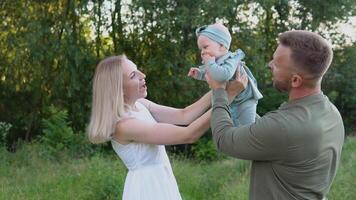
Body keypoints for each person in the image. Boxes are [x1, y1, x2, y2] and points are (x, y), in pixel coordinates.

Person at [206, 30, 344, 200]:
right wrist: (241, 98)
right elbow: (268, 133)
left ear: (295, 80)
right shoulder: (330, 112)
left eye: (277, 64)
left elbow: (223, 140)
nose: (270, 64)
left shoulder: (284, 126)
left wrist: (219, 91)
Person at [87, 55, 246, 200]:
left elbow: (185, 115)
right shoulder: (124, 126)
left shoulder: (140, 105)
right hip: (147, 189)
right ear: (119, 90)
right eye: (133, 75)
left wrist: (221, 88)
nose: (143, 76)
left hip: (162, 180)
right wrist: (228, 97)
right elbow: (188, 134)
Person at [188, 22, 263, 126]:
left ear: (222, 46)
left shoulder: (231, 59)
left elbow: (223, 75)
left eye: (205, 47)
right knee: (235, 126)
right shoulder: (214, 63)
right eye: (201, 49)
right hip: (232, 99)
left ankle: (261, 135)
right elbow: (212, 75)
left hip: (245, 100)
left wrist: (209, 63)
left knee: (247, 129)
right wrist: (199, 74)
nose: (202, 52)